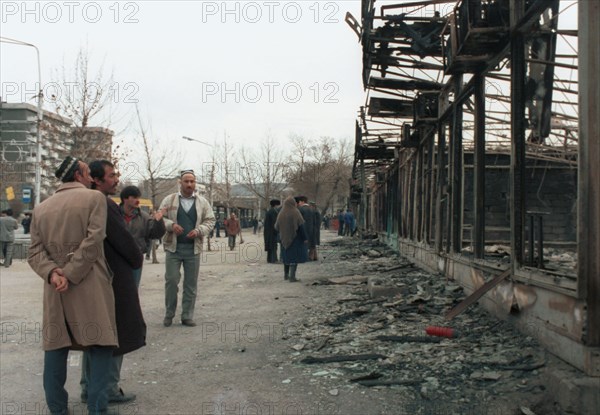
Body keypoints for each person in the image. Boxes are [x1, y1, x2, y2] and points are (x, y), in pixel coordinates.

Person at [27, 156, 117, 415]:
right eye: (88, 172)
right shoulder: (95, 199)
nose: (91, 177)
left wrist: (54, 273)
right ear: (78, 175)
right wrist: (71, 273)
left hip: (55, 288)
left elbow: (34, 252)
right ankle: (97, 409)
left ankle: (58, 410)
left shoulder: (41, 208)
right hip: (88, 283)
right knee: (99, 345)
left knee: (56, 346)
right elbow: (94, 241)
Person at [80, 160, 146, 406]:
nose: (116, 179)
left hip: (92, 277)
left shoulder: (83, 202)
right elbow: (125, 243)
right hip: (113, 278)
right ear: (96, 180)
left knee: (94, 335)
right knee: (114, 334)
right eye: (111, 175)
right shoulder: (104, 204)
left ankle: (89, 386)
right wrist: (137, 259)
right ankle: (107, 388)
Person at [159, 169, 215, 327]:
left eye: (192, 181)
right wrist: (171, 225)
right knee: (171, 281)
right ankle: (169, 314)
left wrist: (199, 231)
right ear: (180, 182)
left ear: (195, 183)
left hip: (193, 250)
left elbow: (210, 221)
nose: (189, 184)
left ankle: (187, 315)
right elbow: (159, 217)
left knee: (190, 284)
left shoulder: (202, 202)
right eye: (186, 181)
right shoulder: (169, 201)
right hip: (173, 249)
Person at [119, 185, 167, 287]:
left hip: (136, 257)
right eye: (134, 197)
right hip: (117, 258)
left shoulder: (143, 216)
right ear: (125, 199)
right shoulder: (115, 214)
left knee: (133, 289)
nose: (137, 200)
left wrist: (159, 221)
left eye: (138, 197)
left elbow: (155, 234)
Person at [275, 196, 308, 282]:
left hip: (283, 238)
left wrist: (282, 232)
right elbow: (301, 225)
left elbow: (276, 226)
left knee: (286, 258)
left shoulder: (281, 213)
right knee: (294, 258)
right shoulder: (295, 212)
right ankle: (292, 277)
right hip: (295, 238)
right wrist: (304, 238)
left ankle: (286, 275)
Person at [263, 199, 280, 264]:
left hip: (268, 231)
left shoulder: (269, 211)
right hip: (272, 232)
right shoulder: (273, 212)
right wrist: (277, 231)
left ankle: (269, 259)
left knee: (270, 245)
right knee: (273, 246)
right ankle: (274, 259)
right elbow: (274, 223)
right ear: (275, 205)